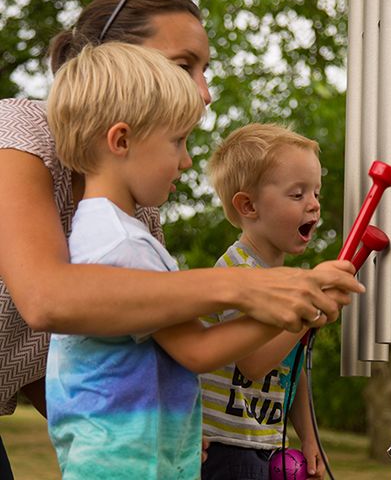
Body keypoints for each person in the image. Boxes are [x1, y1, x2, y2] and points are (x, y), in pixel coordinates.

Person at [0, 0, 362, 477]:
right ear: (115, 62)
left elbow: (106, 346)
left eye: (204, 69)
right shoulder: (22, 135)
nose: (206, 92)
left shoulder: (137, 207)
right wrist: (252, 287)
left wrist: (157, 425)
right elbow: (47, 300)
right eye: (184, 66)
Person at [46, 42, 318, 478]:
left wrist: (177, 423)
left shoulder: (100, 232)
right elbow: (199, 350)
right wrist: (298, 304)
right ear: (121, 140)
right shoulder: (124, 248)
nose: (187, 160)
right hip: (129, 466)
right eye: (178, 141)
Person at [201, 123, 330, 480]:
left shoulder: (287, 282)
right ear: (249, 206)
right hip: (225, 447)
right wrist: (308, 311)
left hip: (264, 442)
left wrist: (308, 437)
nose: (314, 204)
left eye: (316, 192)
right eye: (297, 194)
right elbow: (253, 363)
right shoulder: (237, 273)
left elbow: (292, 366)